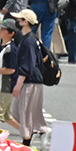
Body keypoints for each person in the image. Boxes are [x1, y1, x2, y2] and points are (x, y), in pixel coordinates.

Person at [9, 8, 47, 142]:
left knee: (25, 113)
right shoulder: (31, 39)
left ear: (25, 22)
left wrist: (18, 85)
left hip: (29, 82)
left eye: (19, 19)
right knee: (21, 112)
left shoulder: (28, 41)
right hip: (34, 80)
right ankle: (39, 132)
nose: (17, 21)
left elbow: (27, 64)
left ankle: (28, 141)